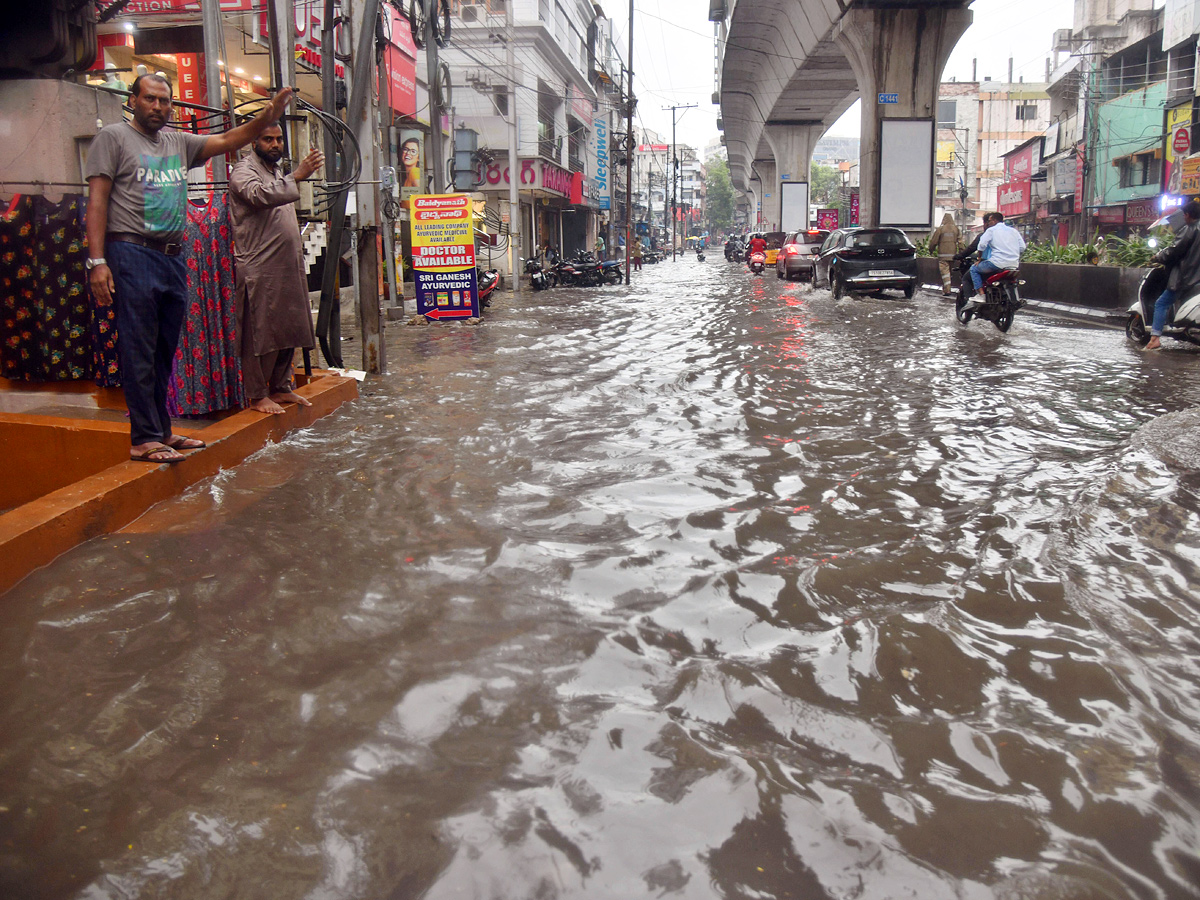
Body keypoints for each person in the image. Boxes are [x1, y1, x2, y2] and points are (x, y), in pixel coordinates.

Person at [86, 73, 294, 463]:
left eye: (165, 101)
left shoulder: (178, 142)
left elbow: (230, 140)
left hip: (172, 254)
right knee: (139, 347)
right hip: (130, 251)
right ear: (133, 100)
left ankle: (161, 430)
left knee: (166, 348)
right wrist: (97, 262)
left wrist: (268, 115)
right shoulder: (113, 138)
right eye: (150, 99)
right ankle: (144, 437)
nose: (158, 107)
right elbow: (97, 202)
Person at [228, 123, 322, 414]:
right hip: (260, 267)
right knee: (260, 335)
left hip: (286, 266)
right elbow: (257, 195)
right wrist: (297, 176)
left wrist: (290, 177)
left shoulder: (274, 171)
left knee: (291, 328)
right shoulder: (244, 171)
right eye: (268, 139)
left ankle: (280, 387)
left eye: (279, 139)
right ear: (253, 142)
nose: (275, 144)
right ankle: (257, 395)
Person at [1145, 198, 1200, 351]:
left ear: (1188, 215)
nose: (1183, 218)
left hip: (1185, 276)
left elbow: (1174, 250)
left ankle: (1155, 338)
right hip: (1197, 279)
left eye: (1184, 215)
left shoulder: (1189, 230)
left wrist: (1158, 256)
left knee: (1161, 303)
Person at [964, 212, 1025, 311]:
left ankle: (981, 295)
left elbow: (981, 245)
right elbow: (1022, 247)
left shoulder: (991, 230)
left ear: (994, 220)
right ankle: (1015, 299)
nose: (988, 223)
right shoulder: (1013, 231)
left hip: (995, 264)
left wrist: (979, 258)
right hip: (1013, 265)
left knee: (974, 269)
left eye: (990, 221)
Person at [928, 212, 961, 296]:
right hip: (953, 256)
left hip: (943, 256)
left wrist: (931, 250)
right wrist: (962, 253)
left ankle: (947, 290)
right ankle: (947, 288)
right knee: (949, 273)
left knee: (945, 274)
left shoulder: (940, 229)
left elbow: (933, 242)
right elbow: (961, 242)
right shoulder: (956, 229)